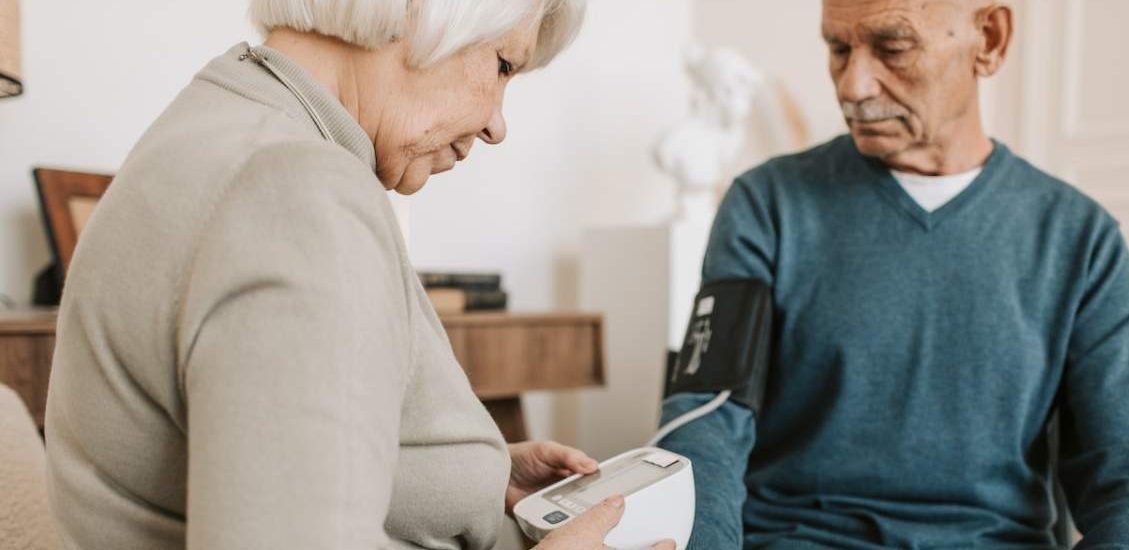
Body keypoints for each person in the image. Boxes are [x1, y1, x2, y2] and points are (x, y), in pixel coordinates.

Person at [43, 1, 673, 549]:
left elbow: (259, 438)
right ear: (421, 10)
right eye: (503, 65)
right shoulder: (299, 194)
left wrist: (467, 474)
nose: (497, 124)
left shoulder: (216, 121)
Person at [656, 1, 1129, 547]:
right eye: (838, 49)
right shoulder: (765, 206)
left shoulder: (1080, 239)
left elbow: (1128, 463)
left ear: (990, 38)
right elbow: (708, 417)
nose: (853, 86)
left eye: (893, 48)